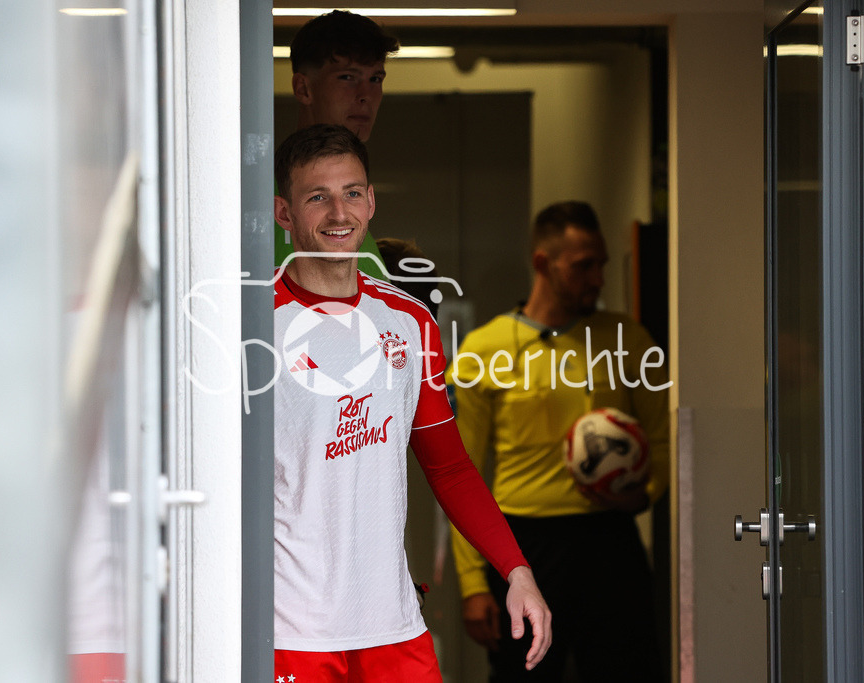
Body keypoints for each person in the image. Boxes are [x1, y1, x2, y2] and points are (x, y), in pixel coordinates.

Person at [272, 124, 552, 681]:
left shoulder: (410, 321)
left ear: (371, 201)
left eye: (352, 192)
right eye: (316, 197)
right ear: (285, 214)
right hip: (291, 630)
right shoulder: (247, 322)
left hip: (394, 628)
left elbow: (448, 466)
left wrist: (516, 569)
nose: (338, 213)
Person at [448, 201, 669, 682]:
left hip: (610, 540)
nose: (598, 278)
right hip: (523, 548)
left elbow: (665, 438)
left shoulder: (629, 340)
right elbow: (458, 472)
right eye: (583, 266)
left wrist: (643, 494)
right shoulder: (483, 351)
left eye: (601, 264)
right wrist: (472, 585)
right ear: (543, 264)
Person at [275, 9, 397, 279]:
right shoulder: (258, 200)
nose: (365, 95)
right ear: (303, 89)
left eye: (375, 79)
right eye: (347, 77)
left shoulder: (352, 222)